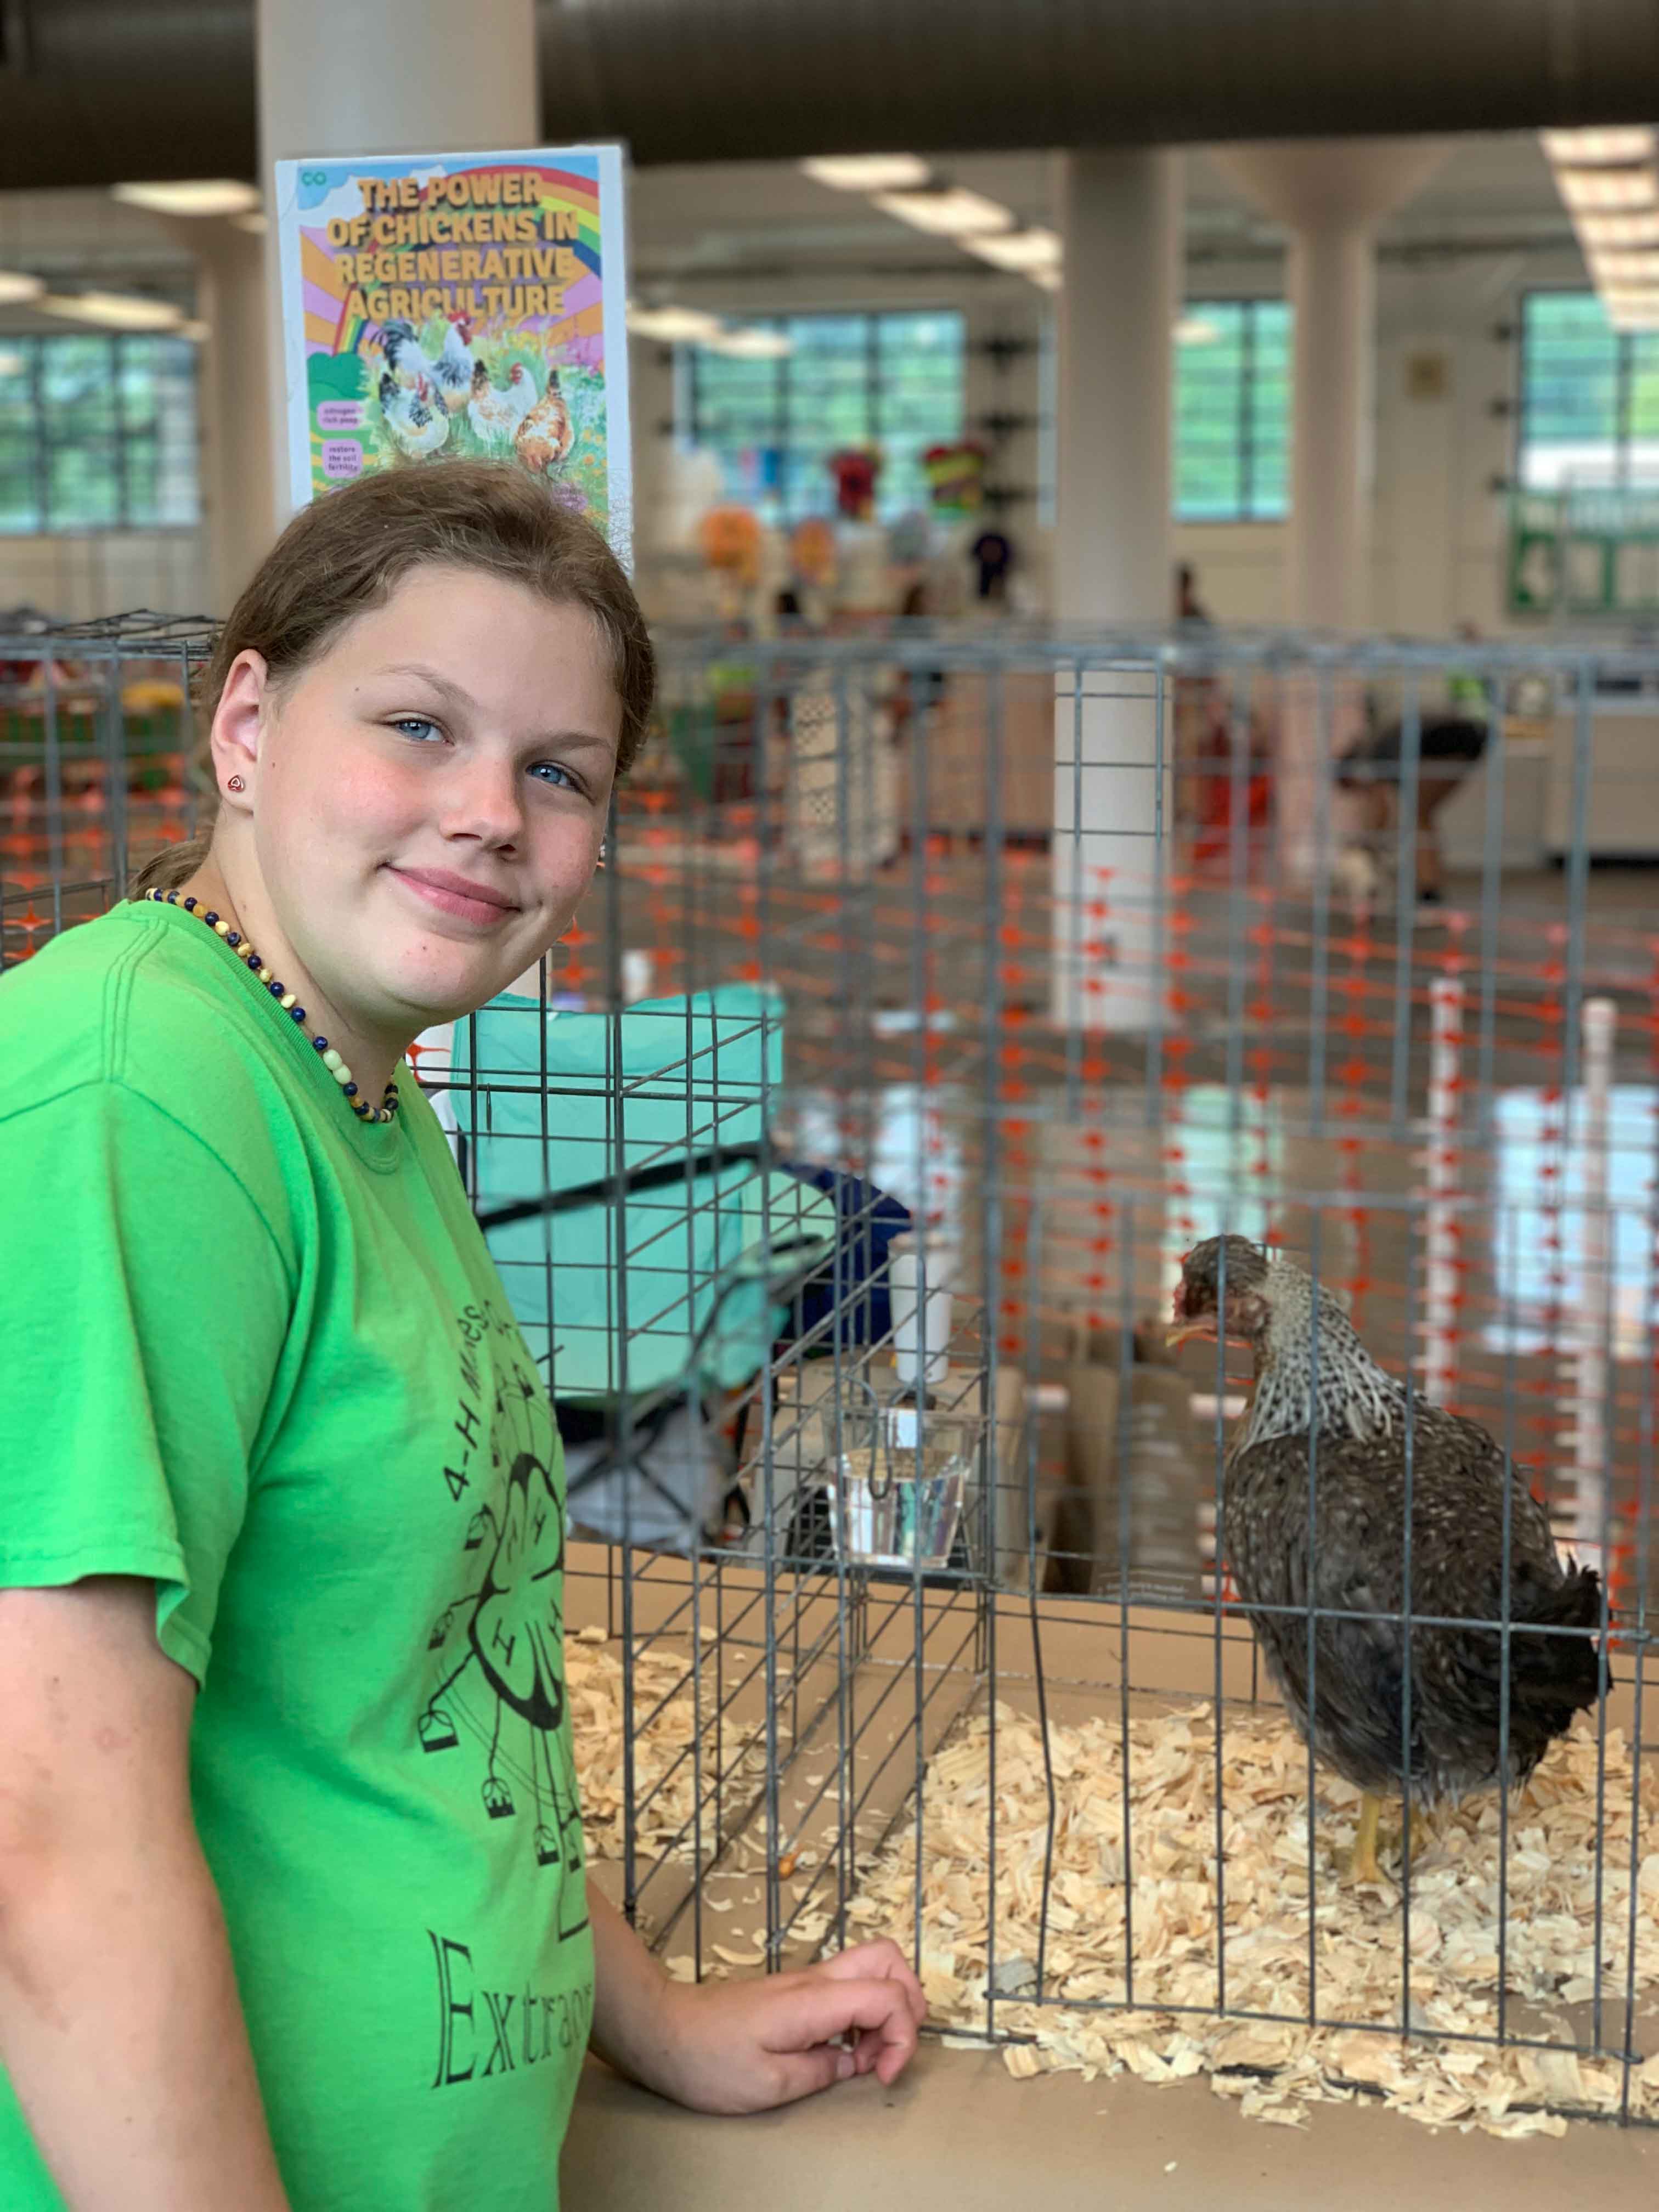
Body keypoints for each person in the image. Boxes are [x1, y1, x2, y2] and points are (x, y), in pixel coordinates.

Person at [0, 462, 923, 2212]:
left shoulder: (359, 1077)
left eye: (557, 771)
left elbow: (437, 1680)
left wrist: (651, 2022)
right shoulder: (131, 1098)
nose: (493, 812)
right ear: (250, 725)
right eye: (419, 726)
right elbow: (48, 1844)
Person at [1337, 627, 1491, 905]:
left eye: (1351, 788)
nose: (1357, 793)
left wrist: (1367, 843)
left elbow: (1379, 806)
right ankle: (1428, 888)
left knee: (1419, 813)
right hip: (1463, 739)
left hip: (1454, 742)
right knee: (1421, 813)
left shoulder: (1373, 756)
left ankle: (1429, 891)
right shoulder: (1379, 746)